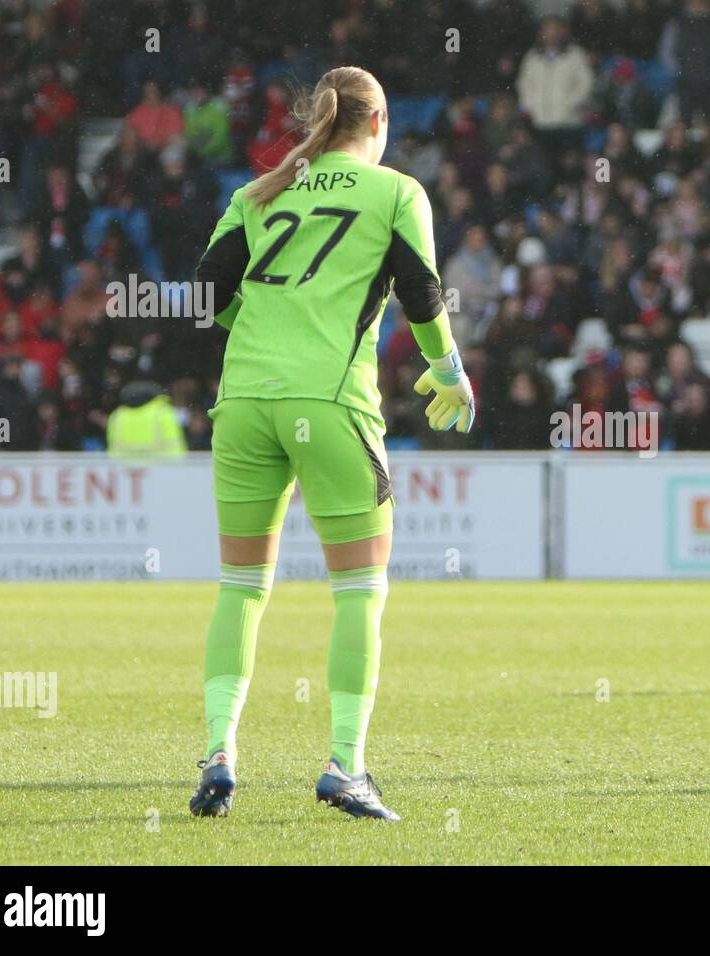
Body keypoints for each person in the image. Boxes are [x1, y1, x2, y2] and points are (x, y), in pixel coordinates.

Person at [189, 66, 476, 822]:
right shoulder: (395, 193)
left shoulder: (258, 191)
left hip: (245, 402)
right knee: (360, 591)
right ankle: (344, 765)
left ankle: (220, 753)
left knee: (241, 586)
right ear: (379, 123)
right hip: (333, 404)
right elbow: (421, 291)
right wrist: (449, 374)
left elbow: (205, 294)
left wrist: (266, 337)